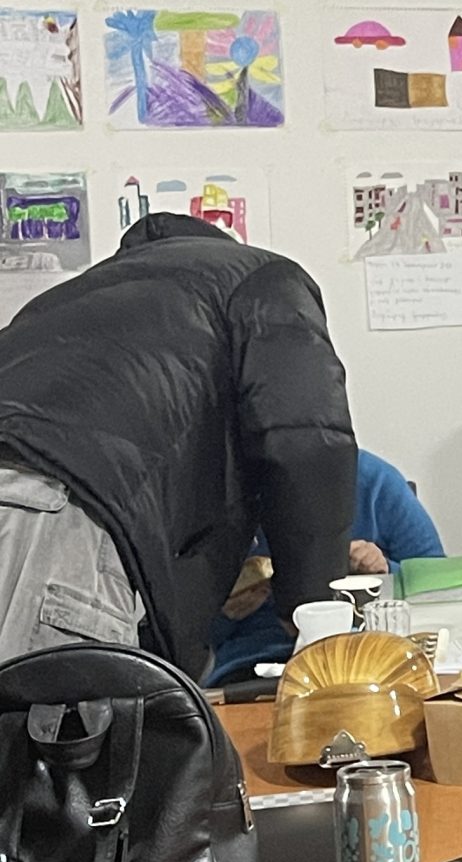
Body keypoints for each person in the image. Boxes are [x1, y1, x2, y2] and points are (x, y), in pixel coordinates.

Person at [0, 211, 354, 672]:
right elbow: (307, 441)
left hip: (39, 496)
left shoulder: (61, 301)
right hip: (52, 508)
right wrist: (312, 607)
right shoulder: (262, 277)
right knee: (42, 715)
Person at [208, 451, 446, 684]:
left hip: (370, 654)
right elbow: (195, 637)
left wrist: (384, 573)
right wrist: (224, 612)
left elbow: (439, 588)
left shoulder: (374, 480)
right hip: (256, 663)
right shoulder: (225, 492)